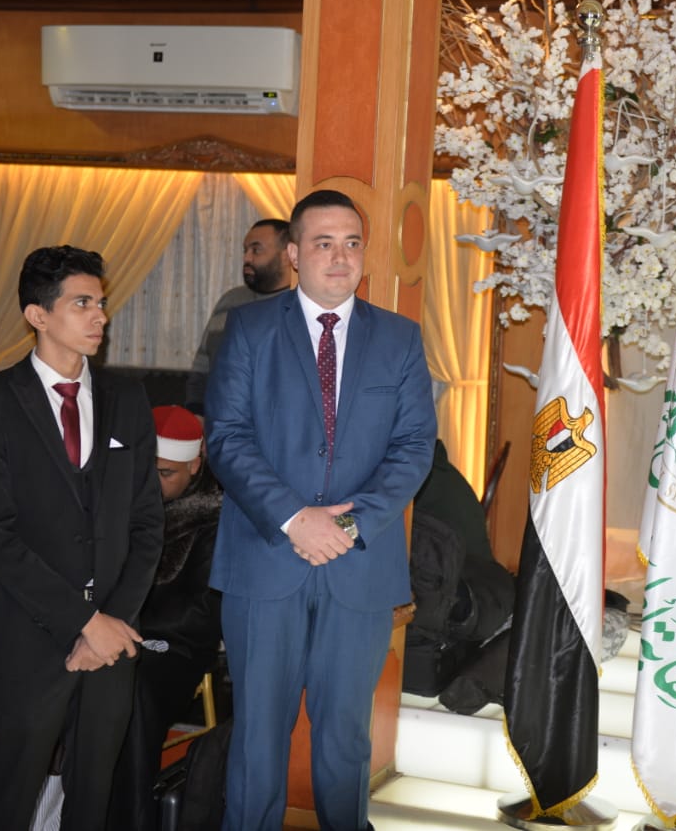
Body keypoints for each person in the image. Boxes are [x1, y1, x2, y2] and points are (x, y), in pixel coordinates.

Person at [204, 188, 436, 831]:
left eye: (352, 243)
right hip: (265, 561)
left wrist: (348, 524)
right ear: (294, 253)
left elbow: (415, 447)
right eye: (324, 243)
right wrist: (295, 518)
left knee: (345, 739)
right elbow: (226, 437)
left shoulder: (400, 338)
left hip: (359, 564)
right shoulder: (250, 329)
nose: (340, 257)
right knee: (257, 737)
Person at [0, 245, 164, 831]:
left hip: (113, 639)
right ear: (38, 315)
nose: (100, 316)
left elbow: (147, 524)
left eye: (100, 302)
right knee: (9, 796)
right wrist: (83, 621)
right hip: (31, 639)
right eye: (82, 303)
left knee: (93, 800)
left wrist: (110, 622)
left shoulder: (128, 399)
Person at [106, 404, 224, 831]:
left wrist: (124, 626)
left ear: (194, 465)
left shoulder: (217, 516)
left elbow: (201, 612)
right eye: (144, 470)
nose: (150, 483)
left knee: (130, 690)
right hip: (108, 630)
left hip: (176, 645)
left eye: (164, 473)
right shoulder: (118, 499)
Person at [186, 218, 292, 415]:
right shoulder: (231, 301)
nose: (247, 258)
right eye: (245, 250)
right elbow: (203, 364)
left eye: (256, 250)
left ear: (287, 255)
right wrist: (197, 413)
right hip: (219, 421)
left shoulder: (300, 307)